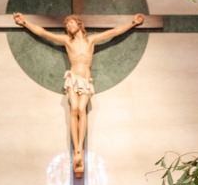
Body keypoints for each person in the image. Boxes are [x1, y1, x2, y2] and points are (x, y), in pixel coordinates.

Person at [12, 12, 145, 176]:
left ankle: (80, 146)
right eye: (67, 25)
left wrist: (132, 23)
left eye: (71, 23)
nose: (69, 26)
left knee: (82, 110)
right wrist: (25, 22)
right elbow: (44, 33)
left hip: (86, 80)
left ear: (79, 24)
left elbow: (113, 32)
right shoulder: (68, 41)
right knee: (74, 109)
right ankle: (77, 149)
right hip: (73, 78)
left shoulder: (91, 40)